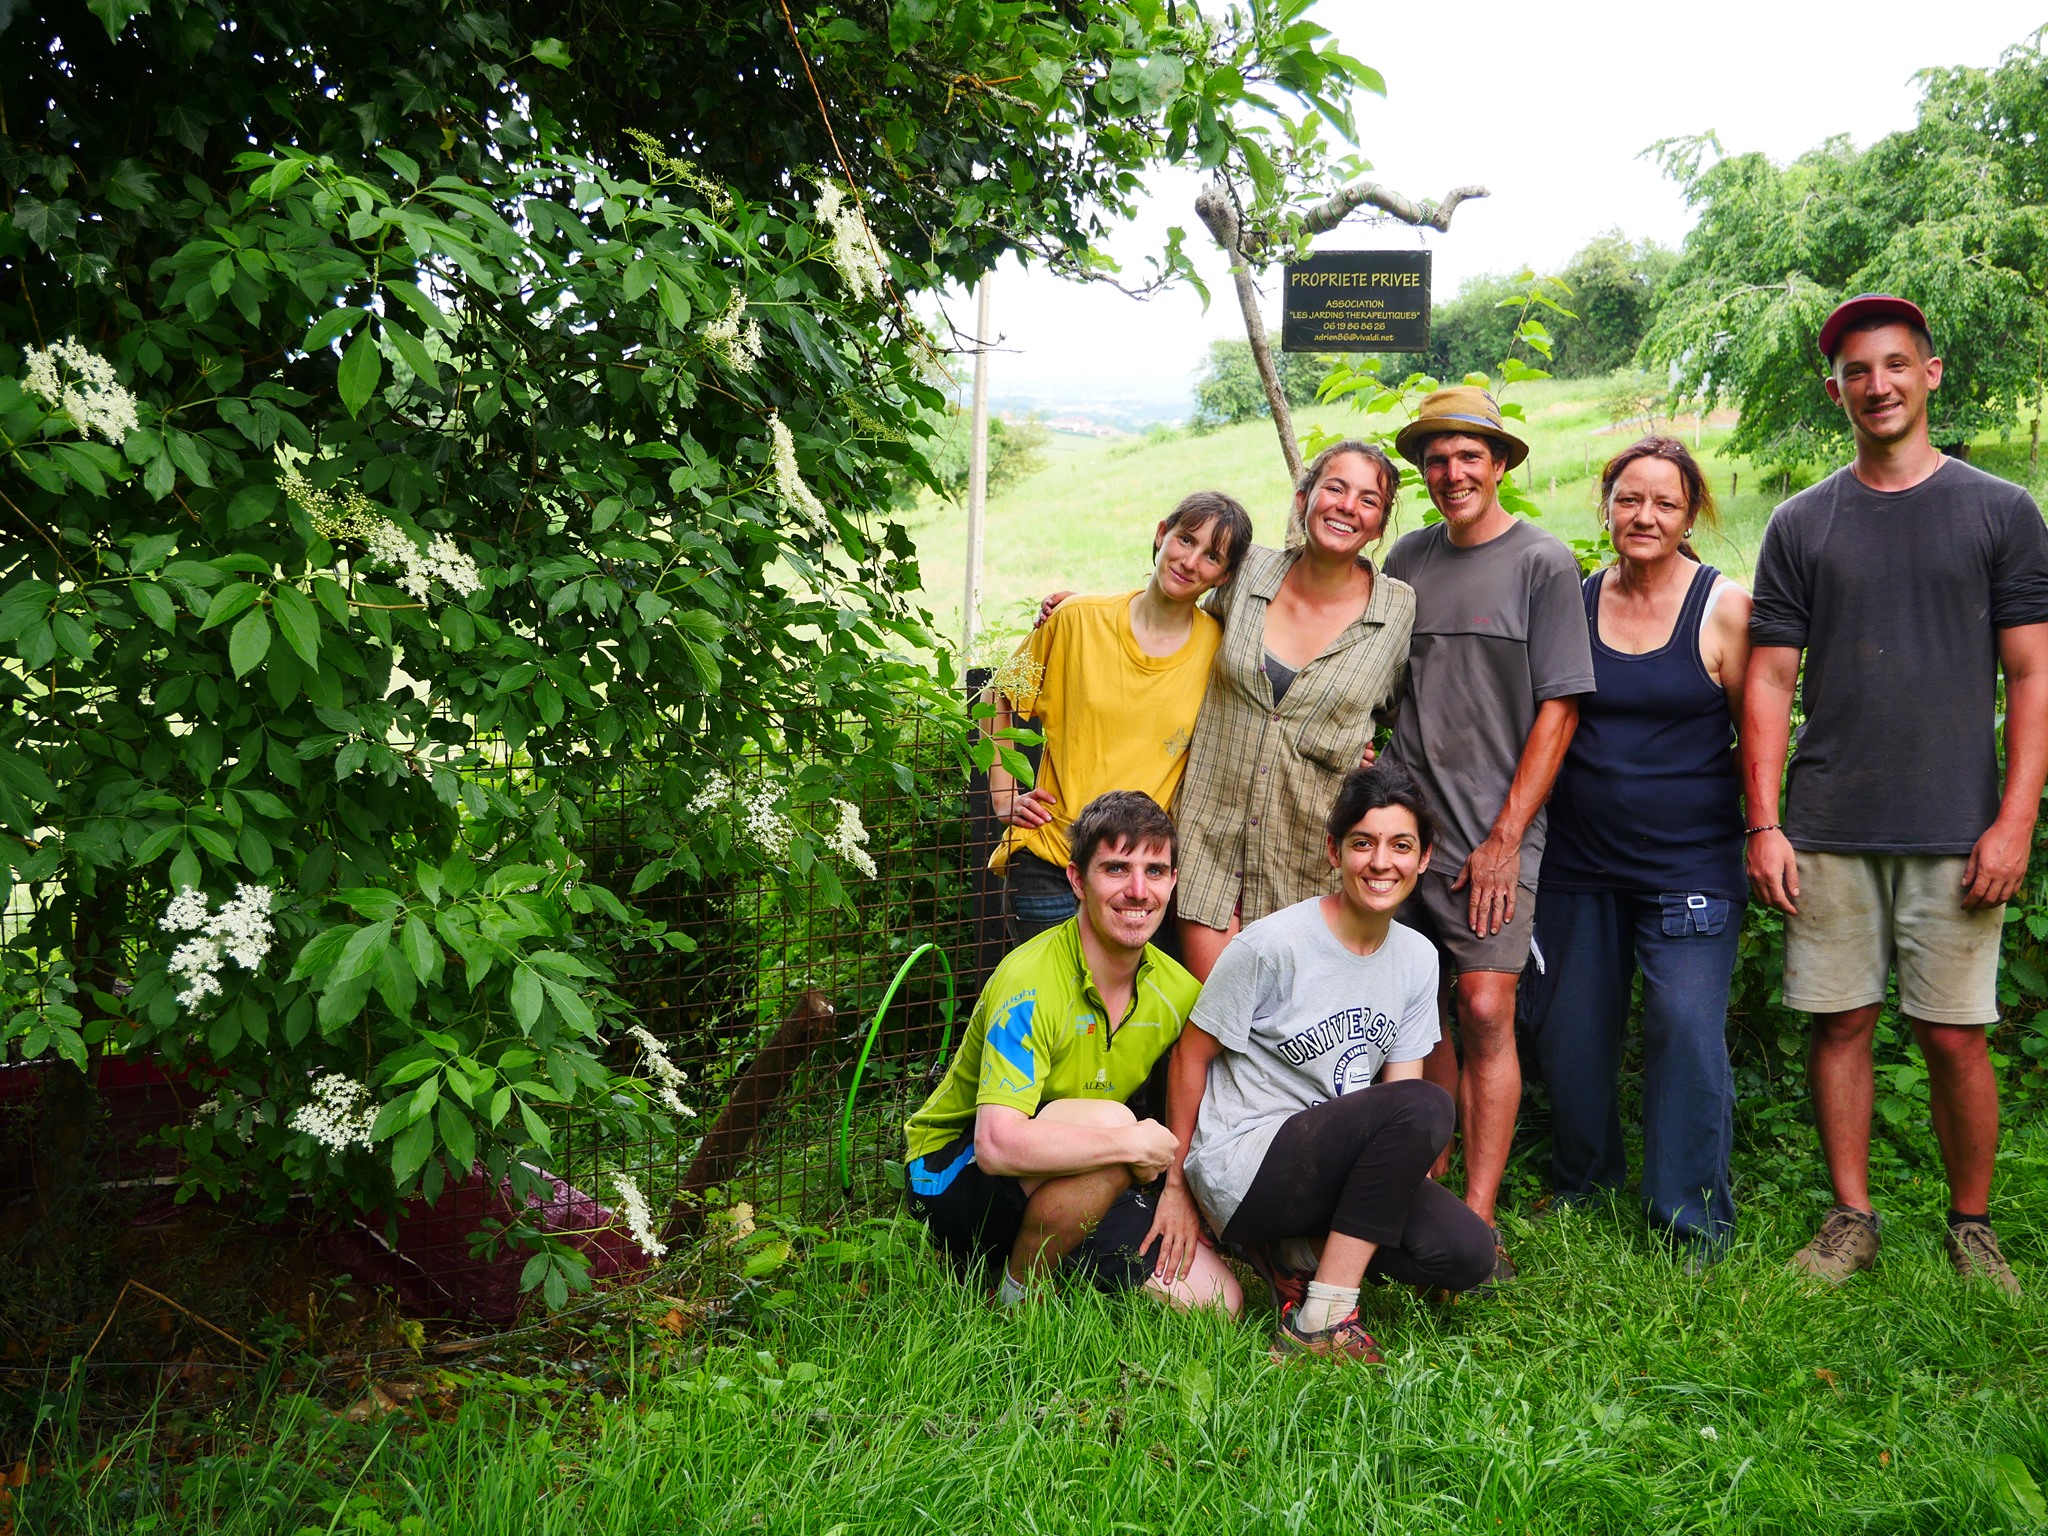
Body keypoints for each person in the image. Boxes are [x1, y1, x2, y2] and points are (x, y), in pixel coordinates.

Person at [1745, 293, 2048, 1296]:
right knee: (1838, 1023)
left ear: (1927, 375)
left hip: (1954, 826)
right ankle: (1850, 1219)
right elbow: (1767, 680)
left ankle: (1970, 1227)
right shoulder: (1800, 522)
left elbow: (2031, 676)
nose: (1873, 384)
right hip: (1828, 821)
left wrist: (2012, 820)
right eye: (1854, 372)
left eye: (1892, 365)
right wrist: (1764, 822)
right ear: (1834, 392)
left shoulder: (1999, 511)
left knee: (1955, 1034)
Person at [1159, 764, 1495, 1362]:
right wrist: (1178, 1184)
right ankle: (1322, 1317)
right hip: (1246, 1163)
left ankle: (1299, 1249)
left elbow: (1397, 1096)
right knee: (1426, 1106)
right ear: (1333, 852)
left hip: (1334, 1165)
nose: (1380, 862)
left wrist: (1393, 1196)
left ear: (1424, 858)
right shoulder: (1273, 944)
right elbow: (1190, 1055)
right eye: (1362, 843)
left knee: (1467, 1252)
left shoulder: (1418, 958)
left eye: (1401, 845)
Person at [1379, 385, 1597, 1282]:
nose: (1451, 472)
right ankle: (1419, 1202)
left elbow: (1560, 709)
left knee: (1484, 1008)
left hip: (1495, 832)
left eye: (1470, 455)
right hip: (1408, 835)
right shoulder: (1406, 559)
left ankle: (1478, 1215)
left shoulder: (1544, 563)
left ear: (1501, 464)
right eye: (1436, 458)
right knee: (1417, 1018)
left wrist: (1507, 835)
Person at [1524, 437, 1750, 1254]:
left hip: (1690, 861)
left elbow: (1758, 740)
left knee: (1685, 1027)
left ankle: (1688, 1217)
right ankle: (1586, 1183)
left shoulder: (1724, 609)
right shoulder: (1577, 600)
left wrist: (1762, 832)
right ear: (1607, 505)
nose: (1643, 515)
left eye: (1663, 502)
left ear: (1691, 514)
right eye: (1628, 498)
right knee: (1569, 1033)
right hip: (1580, 862)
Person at [903, 790, 1243, 1312]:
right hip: (955, 1172)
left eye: (1155, 871)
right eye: (1115, 869)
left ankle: (1062, 1238)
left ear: (1173, 882)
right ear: (1076, 880)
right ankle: (1019, 1292)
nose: (1138, 890)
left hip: (1080, 1172)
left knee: (1216, 1300)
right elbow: (996, 1146)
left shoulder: (1179, 992)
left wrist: (1176, 1190)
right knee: (1111, 1121)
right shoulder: (1030, 979)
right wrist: (1130, 1147)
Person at [1171, 440, 1417, 981]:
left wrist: (1369, 756)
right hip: (1207, 839)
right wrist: (1088, 608)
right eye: (1334, 487)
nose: (1348, 505)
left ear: (1379, 526)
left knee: (1288, 1037)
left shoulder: (1398, 609)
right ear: (1303, 498)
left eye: (1368, 499)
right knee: (1216, 1018)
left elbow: (1408, 711)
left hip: (1307, 855)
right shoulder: (1247, 574)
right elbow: (1172, 611)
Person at [984, 493, 1253, 943]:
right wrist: (1003, 792)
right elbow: (999, 697)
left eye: (1212, 556)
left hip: (1141, 878)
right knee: (1049, 1007)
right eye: (1185, 539)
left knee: (1125, 1011)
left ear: (1224, 576)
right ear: (1161, 533)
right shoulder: (1075, 620)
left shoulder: (1221, 652)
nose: (1190, 561)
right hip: (1054, 861)